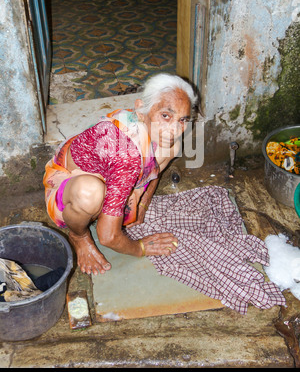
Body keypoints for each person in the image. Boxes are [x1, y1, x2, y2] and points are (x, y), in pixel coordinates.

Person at [43, 73, 198, 275]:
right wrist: (140, 248)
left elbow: (155, 170)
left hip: (115, 173)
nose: (175, 129)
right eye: (166, 116)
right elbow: (107, 237)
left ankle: (113, 199)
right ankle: (78, 235)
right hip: (68, 183)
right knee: (89, 193)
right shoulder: (126, 156)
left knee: (171, 147)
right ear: (142, 110)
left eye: (183, 119)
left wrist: (143, 203)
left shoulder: (150, 130)